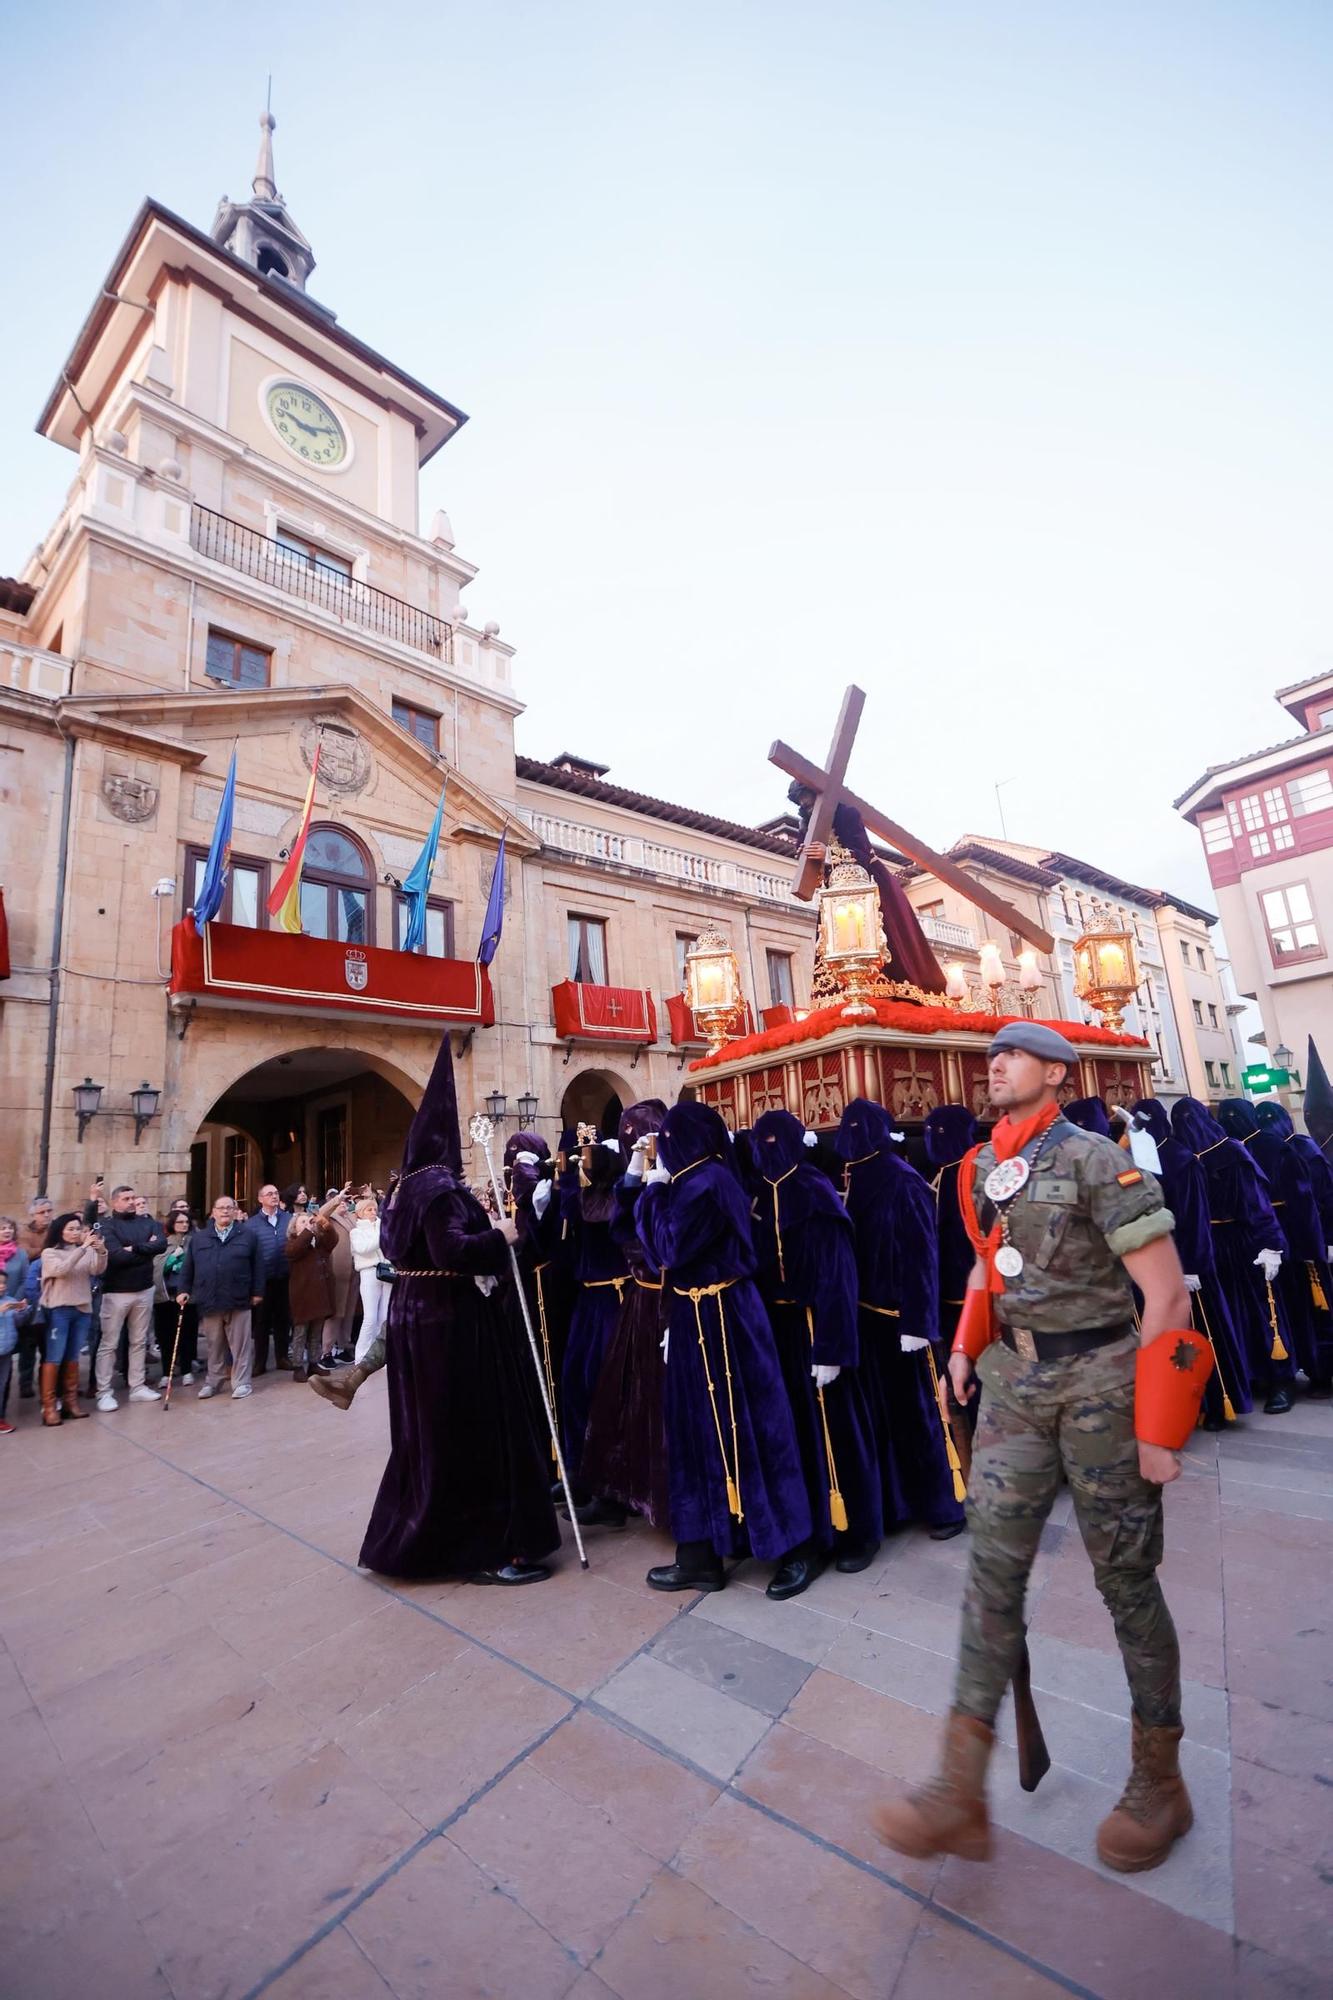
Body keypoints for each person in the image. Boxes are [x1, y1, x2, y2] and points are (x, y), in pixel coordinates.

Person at [874, 1021, 1206, 1877]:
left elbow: (1165, 1298)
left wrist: (1158, 1432)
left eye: (1012, 1054)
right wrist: (961, 1342)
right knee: (990, 1573)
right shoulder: (983, 1165)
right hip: (1012, 1388)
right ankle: (956, 1789)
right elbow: (992, 1263)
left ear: (1054, 1072)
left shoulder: (1098, 1158)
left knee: (1124, 1581)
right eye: (990, 1056)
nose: (994, 1064)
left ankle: (1159, 1781)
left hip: (1101, 1383)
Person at [359, 1030, 560, 1585]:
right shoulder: (441, 1188)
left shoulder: (402, 1190)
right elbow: (455, 1251)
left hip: (414, 1315)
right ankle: (486, 1546)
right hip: (449, 1323)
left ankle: (419, 1535)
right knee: (471, 1429)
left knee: (426, 1433)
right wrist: (502, 1236)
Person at [635, 1101, 813, 1597]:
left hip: (728, 1318)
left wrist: (649, 1195)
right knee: (693, 1433)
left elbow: (668, 1249)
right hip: (696, 1315)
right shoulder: (694, 1180)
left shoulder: (706, 1182)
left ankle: (794, 1546)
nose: (660, 1149)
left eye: (666, 1139)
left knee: (756, 1427)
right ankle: (700, 1553)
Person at [750, 1108, 883, 1577]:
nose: (765, 1150)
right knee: (791, 1436)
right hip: (775, 1333)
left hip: (815, 1327)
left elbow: (839, 1276)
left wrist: (832, 1348)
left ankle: (857, 1531)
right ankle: (803, 1532)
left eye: (773, 1141)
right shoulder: (757, 1196)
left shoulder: (813, 1190)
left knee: (836, 1431)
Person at [836, 1100, 966, 1540]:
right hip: (868, 1319)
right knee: (884, 1419)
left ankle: (945, 1506)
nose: (847, 1134)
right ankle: (900, 1502)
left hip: (901, 1320)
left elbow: (922, 1255)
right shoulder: (855, 1176)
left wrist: (918, 1321)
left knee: (922, 1416)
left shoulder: (902, 1179)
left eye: (857, 1126)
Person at [1122, 1099, 1250, 1428]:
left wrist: (1192, 1265)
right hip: (1145, 1267)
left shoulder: (1181, 1160)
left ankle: (1215, 1403)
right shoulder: (1128, 1161)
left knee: (1196, 1336)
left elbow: (1196, 1217)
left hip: (1182, 1263)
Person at [580, 1101, 673, 1531]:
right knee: (617, 1401)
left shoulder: (684, 1180)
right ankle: (617, 1494)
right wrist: (634, 1175)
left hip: (672, 1303)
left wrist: (658, 1182)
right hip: (640, 1299)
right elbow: (622, 1229)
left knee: (660, 1408)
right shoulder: (635, 1178)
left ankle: (666, 1500)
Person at [1171, 1097, 1295, 1413]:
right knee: (1232, 1318)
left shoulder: (1232, 1153)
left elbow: (1258, 1204)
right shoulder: (1183, 1158)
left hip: (1244, 1242)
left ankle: (1281, 1381)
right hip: (1210, 1247)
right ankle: (1251, 1377)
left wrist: (1271, 1245)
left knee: (1263, 1313)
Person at [1219, 1098, 1333, 1399]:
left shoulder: (1288, 1148)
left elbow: (1308, 1197)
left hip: (1292, 1236)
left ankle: (1320, 1371)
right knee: (1281, 1309)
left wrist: (1318, 1244)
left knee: (1308, 1309)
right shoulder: (1231, 1151)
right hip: (1260, 1240)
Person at [176, 1196, 264, 1400]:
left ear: (235, 1211)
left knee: (240, 1345)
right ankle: (213, 1381)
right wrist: (183, 1289)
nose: (225, 1211)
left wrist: (258, 1292)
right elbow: (188, 1267)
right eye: (221, 1208)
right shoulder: (200, 1238)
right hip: (209, 1298)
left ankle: (241, 1382)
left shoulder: (248, 1235)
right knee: (214, 1345)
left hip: (238, 1298)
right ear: (213, 1212)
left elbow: (258, 1266)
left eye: (229, 1208)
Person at [94, 1184, 166, 1410]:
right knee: (109, 1343)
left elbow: (161, 1245)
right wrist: (145, 1249)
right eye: (126, 1198)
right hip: (116, 1292)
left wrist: (132, 1249)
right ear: (114, 1202)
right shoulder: (107, 1226)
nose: (131, 1202)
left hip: (144, 1289)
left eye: (133, 1197)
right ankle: (104, 1391)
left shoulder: (148, 1222)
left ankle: (137, 1385)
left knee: (139, 1341)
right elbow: (115, 1257)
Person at [38, 1210, 107, 1424]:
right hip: (59, 1309)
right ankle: (50, 1407)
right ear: (60, 1231)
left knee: (73, 1357)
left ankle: (70, 1402)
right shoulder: (50, 1252)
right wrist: (83, 1249)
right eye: (71, 1229)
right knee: (54, 1357)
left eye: (78, 1229)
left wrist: (101, 1251)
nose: (76, 1232)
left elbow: (97, 1269)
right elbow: (61, 1270)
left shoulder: (83, 1250)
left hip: (82, 1308)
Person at [285, 1197, 342, 1381]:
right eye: (302, 1221)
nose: (308, 1222)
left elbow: (333, 1241)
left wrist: (325, 1225)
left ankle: (314, 1363)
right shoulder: (293, 1243)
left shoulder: (318, 1243)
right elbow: (294, 1251)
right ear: (294, 1227)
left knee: (316, 1332)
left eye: (308, 1220)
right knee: (301, 1333)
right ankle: (297, 1365)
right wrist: (308, 1231)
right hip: (302, 1296)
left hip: (320, 1295)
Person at [245, 1184, 292, 1375]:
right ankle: (260, 1362)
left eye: (275, 1193)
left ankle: (282, 1357)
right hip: (263, 1280)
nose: (274, 1196)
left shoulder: (288, 1219)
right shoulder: (251, 1224)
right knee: (261, 1323)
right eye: (269, 1194)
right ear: (260, 1199)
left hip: (285, 1276)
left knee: (283, 1319)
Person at [17, 1196, 55, 1400]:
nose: (47, 1215)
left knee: (48, 1342)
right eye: (42, 1212)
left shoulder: (55, 1230)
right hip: (31, 1293)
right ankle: (24, 1382)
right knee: (28, 1343)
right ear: (32, 1215)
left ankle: (46, 1384)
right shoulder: (24, 1233)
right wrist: (49, 1252)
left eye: (49, 1211)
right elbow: (26, 1253)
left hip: (53, 1292)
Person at [156, 1211, 198, 1386]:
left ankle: (187, 1370)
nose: (184, 1225)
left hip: (188, 1295)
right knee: (167, 1337)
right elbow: (158, 1269)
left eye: (186, 1221)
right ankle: (167, 1372)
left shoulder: (194, 1243)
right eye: (180, 1222)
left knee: (188, 1335)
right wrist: (173, 1258)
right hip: (167, 1298)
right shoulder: (163, 1244)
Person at [350, 1195, 390, 1365]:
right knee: (370, 1317)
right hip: (369, 1272)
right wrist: (381, 1235)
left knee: (385, 1316)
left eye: (374, 1209)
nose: (373, 1212)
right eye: (369, 1209)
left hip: (388, 1271)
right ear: (360, 1213)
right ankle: (361, 1356)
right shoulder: (356, 1231)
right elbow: (363, 1248)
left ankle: (381, 1356)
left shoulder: (383, 1226)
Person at [0, 1218, 31, 1433]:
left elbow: (25, 1279)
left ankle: (1, 1413)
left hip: (10, 1306)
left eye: (10, 1227)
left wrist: (14, 1302)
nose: (7, 1231)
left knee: (5, 1368)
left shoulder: (20, 1254)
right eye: (2, 1228)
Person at [320, 1190, 358, 1365]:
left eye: (346, 1201)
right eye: (341, 1202)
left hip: (353, 1271)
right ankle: (326, 1352)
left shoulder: (352, 1217)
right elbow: (321, 1213)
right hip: (337, 1271)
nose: (344, 1203)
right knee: (335, 1312)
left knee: (349, 1312)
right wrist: (337, 1199)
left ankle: (344, 1346)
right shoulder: (330, 1218)